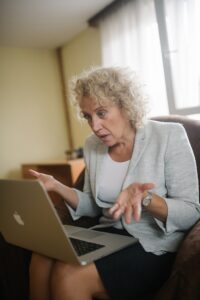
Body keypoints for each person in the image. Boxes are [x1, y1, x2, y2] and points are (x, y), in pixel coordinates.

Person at [29, 66, 200, 300]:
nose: (95, 126)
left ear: (126, 106)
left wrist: (146, 199)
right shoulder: (93, 145)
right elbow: (93, 204)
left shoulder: (169, 136)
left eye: (101, 113)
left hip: (151, 244)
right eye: (88, 116)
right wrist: (58, 186)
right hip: (109, 235)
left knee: (69, 274)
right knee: (42, 256)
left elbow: (192, 211)